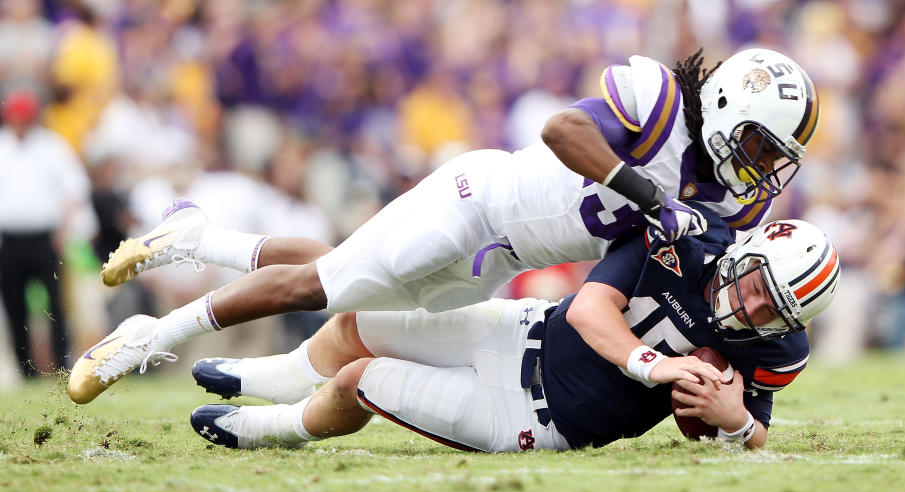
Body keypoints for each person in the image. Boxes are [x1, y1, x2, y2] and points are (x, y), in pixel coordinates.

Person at [68, 47, 820, 404]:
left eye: (773, 156)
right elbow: (563, 130)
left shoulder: (734, 203)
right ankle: (146, 338)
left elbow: (694, 260)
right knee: (326, 286)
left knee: (349, 273)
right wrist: (651, 199)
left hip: (501, 258)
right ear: (724, 105)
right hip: (475, 200)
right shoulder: (655, 104)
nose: (760, 167)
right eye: (758, 142)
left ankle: (198, 238)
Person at [185, 212, 840, 452]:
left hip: (532, 415)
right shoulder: (684, 240)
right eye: (756, 286)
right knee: (361, 318)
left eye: (771, 310)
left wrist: (733, 424)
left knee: (363, 380)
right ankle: (266, 375)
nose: (751, 310)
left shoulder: (777, 346)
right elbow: (589, 310)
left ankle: (269, 428)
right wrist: (653, 363)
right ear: (746, 253)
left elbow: (752, 431)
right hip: (518, 329)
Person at [0, 89, 92, 377]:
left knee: (56, 306)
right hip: (9, 241)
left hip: (45, 238)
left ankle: (62, 366)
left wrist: (64, 230)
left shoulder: (52, 146)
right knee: (15, 307)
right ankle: (25, 369)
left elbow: (75, 188)